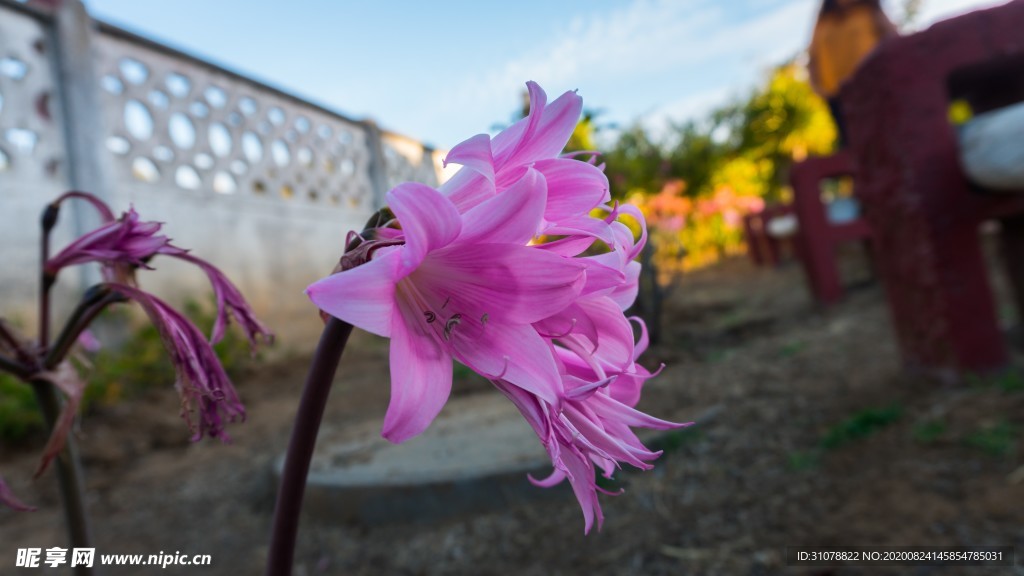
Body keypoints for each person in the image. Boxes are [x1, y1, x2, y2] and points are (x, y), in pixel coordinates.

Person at [807, 0, 899, 146]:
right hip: (839, 99)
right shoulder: (824, 20)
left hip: (877, 89)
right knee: (858, 147)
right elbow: (813, 57)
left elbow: (893, 39)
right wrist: (818, 87)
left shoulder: (869, 9)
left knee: (891, 139)